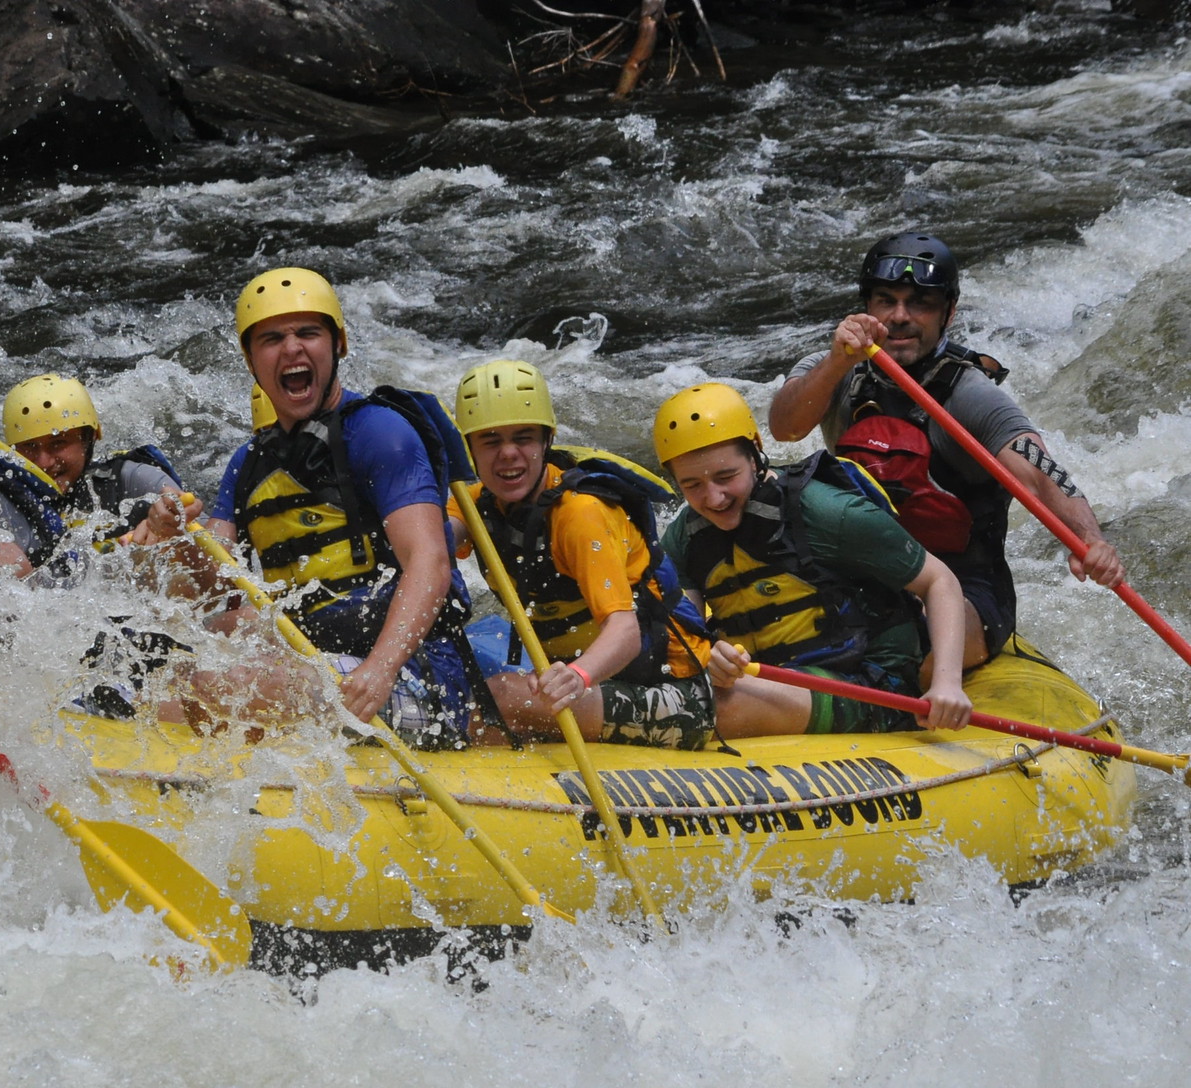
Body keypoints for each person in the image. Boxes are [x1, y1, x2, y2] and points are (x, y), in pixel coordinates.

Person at [767, 231, 1124, 668]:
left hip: (963, 587)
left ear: (947, 314)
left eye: (920, 303)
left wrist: (1091, 540)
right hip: (859, 572)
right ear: (866, 306)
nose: (900, 317)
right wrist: (839, 361)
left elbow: (1039, 470)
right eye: (886, 301)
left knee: (912, 647)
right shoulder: (835, 369)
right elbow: (785, 428)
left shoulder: (969, 394)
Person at [201, 267, 474, 747]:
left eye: (308, 332)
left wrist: (381, 668)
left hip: (414, 679)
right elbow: (211, 584)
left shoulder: (379, 433)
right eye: (271, 338)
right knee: (173, 674)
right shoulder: (247, 465)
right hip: (317, 661)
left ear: (338, 344)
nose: (291, 349)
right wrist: (170, 539)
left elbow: (428, 560)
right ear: (250, 360)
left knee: (212, 685)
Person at [656, 382, 971, 739]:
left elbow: (939, 580)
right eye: (692, 485)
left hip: (869, 686)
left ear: (756, 452)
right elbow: (683, 631)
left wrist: (947, 684)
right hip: (773, 681)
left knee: (710, 706)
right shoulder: (686, 535)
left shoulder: (828, 513)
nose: (713, 498)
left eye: (726, 476)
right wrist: (707, 656)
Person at [450, 359, 716, 750]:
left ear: (547, 440)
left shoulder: (579, 513)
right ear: (469, 448)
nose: (508, 453)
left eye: (523, 438)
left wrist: (577, 677)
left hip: (672, 690)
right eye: (490, 440)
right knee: (460, 699)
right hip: (597, 684)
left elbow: (624, 632)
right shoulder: (473, 503)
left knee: (499, 698)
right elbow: (429, 545)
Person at [1, 373, 194, 544]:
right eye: (30, 446)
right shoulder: (0, 499)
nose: (44, 463)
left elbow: (214, 559)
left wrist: (171, 534)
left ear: (89, 438)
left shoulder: (135, 481)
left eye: (58, 443)